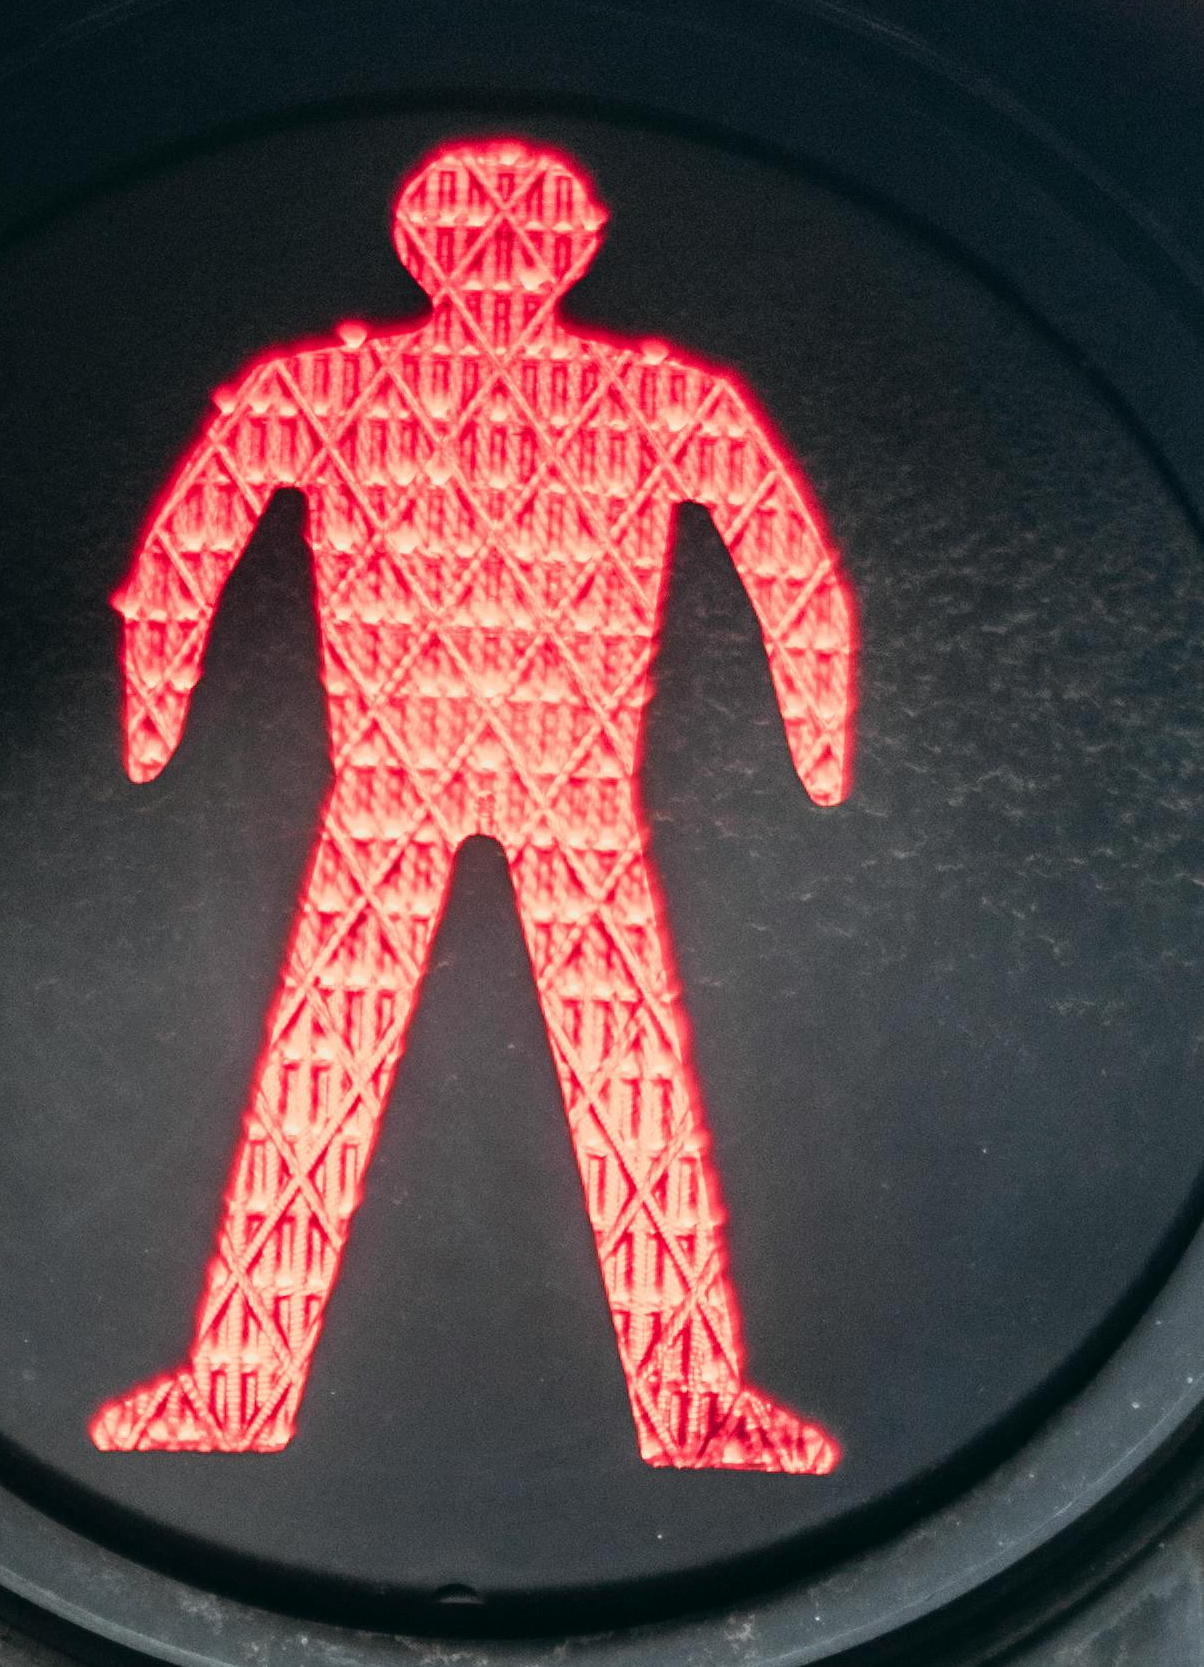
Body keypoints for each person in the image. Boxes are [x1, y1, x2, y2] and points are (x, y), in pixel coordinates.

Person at [89, 136, 856, 1476]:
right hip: (414, 775)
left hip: (539, 782)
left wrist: (822, 731)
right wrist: (814, 734)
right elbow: (184, 555)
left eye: (522, 237)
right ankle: (237, 1390)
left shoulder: (373, 390)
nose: (502, 265)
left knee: (596, 1090)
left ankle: (678, 1401)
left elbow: (784, 555)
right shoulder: (380, 390)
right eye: (483, 237)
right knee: (370, 1078)